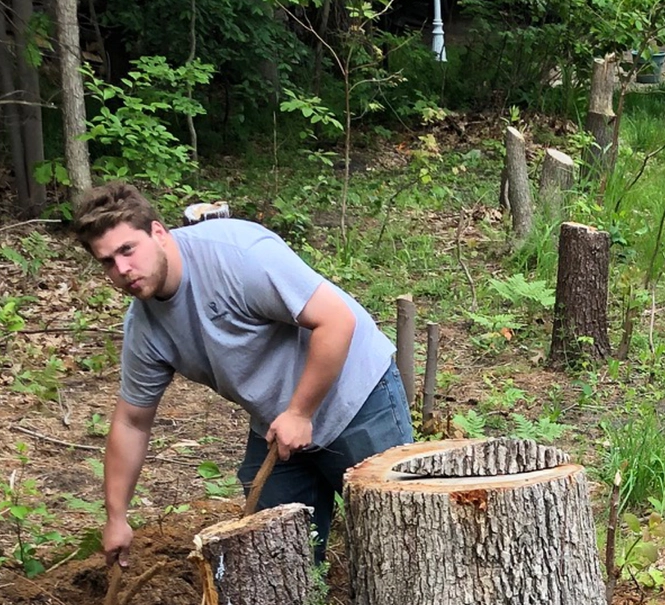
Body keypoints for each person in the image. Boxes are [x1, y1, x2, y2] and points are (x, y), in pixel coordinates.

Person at [72, 181, 412, 565]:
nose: (122, 270)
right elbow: (132, 422)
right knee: (275, 556)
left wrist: (300, 412)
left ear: (158, 233)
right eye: (107, 261)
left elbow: (336, 321)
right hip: (276, 425)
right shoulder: (144, 329)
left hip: (355, 397)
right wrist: (116, 517)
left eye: (127, 250)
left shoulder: (236, 256)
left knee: (393, 543)